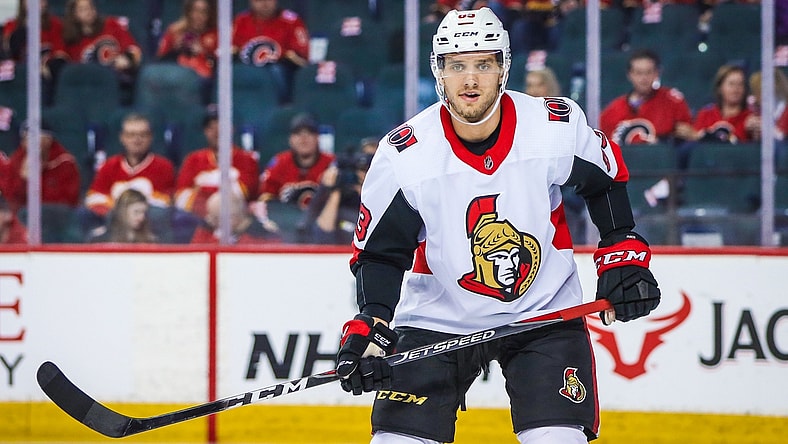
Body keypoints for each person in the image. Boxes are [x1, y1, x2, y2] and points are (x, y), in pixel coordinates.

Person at [334, 8, 660, 444]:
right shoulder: (405, 156)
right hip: (438, 320)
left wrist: (622, 250)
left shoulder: (552, 127)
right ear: (439, 72)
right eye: (457, 65)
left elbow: (604, 181)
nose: (470, 80)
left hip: (544, 314)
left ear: (504, 67)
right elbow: (380, 253)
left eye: (483, 64)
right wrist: (372, 320)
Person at [81, 113, 175, 241]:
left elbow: (164, 205)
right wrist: (118, 213)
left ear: (151, 137)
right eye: (131, 135)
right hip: (111, 229)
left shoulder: (164, 167)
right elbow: (94, 199)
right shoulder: (109, 166)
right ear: (122, 137)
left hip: (149, 231)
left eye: (143, 135)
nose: (137, 140)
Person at [5, 120, 80, 242]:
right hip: (21, 222)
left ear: (48, 139)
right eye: (25, 139)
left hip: (58, 223)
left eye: (34, 138)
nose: (29, 143)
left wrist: (38, 176)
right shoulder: (17, 160)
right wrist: (24, 180)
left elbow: (67, 203)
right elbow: (11, 200)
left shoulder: (65, 163)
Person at [175, 110, 259, 219]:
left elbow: (242, 196)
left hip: (236, 222)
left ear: (232, 129)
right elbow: (181, 198)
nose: (217, 131)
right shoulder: (193, 159)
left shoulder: (247, 159)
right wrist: (226, 184)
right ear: (205, 132)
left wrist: (203, 186)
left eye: (222, 126)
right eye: (211, 127)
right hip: (199, 221)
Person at [599, 48, 693, 146]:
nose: (643, 78)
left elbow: (687, 137)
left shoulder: (673, 101)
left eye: (648, 72)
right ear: (630, 74)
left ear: (657, 73)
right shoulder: (613, 110)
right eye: (639, 73)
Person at [61, 0, 143, 105]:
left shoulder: (111, 24)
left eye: (91, 7)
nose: (89, 12)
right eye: (82, 9)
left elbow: (134, 49)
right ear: (74, 14)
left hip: (119, 79)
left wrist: (127, 58)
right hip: (91, 88)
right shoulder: (71, 41)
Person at [300, 137, 377, 245]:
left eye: (372, 165)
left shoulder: (387, 196)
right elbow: (322, 236)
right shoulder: (342, 198)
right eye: (362, 168)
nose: (365, 174)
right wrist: (334, 189)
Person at [231, 0, 310, 104]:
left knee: (276, 70)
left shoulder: (291, 21)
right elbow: (230, 49)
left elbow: (302, 56)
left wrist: (281, 57)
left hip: (278, 69)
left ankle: (282, 107)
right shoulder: (240, 20)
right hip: (246, 68)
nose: (264, 3)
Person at [2, 0, 68, 106]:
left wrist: (44, 65)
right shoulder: (11, 25)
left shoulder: (55, 24)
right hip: (20, 75)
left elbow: (60, 54)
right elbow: (8, 52)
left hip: (46, 75)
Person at [156, 0, 217, 103]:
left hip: (203, 82)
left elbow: (221, 66)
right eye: (195, 11)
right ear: (188, 12)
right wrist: (175, 50)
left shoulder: (216, 34)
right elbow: (159, 63)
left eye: (204, 12)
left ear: (210, 14)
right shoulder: (175, 31)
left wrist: (204, 52)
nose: (198, 16)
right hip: (175, 78)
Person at [686, 64, 757, 144]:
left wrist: (756, 134)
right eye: (731, 84)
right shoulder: (706, 114)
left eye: (740, 84)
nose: (736, 89)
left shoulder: (751, 118)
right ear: (720, 87)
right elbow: (694, 145)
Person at [190, 191, 279, 244]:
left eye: (215, 218)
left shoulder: (260, 235)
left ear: (232, 218)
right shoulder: (206, 229)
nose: (209, 220)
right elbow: (195, 257)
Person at [88, 188, 158, 243]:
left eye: (144, 213)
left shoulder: (150, 241)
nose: (142, 217)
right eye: (136, 212)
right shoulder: (101, 240)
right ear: (122, 212)